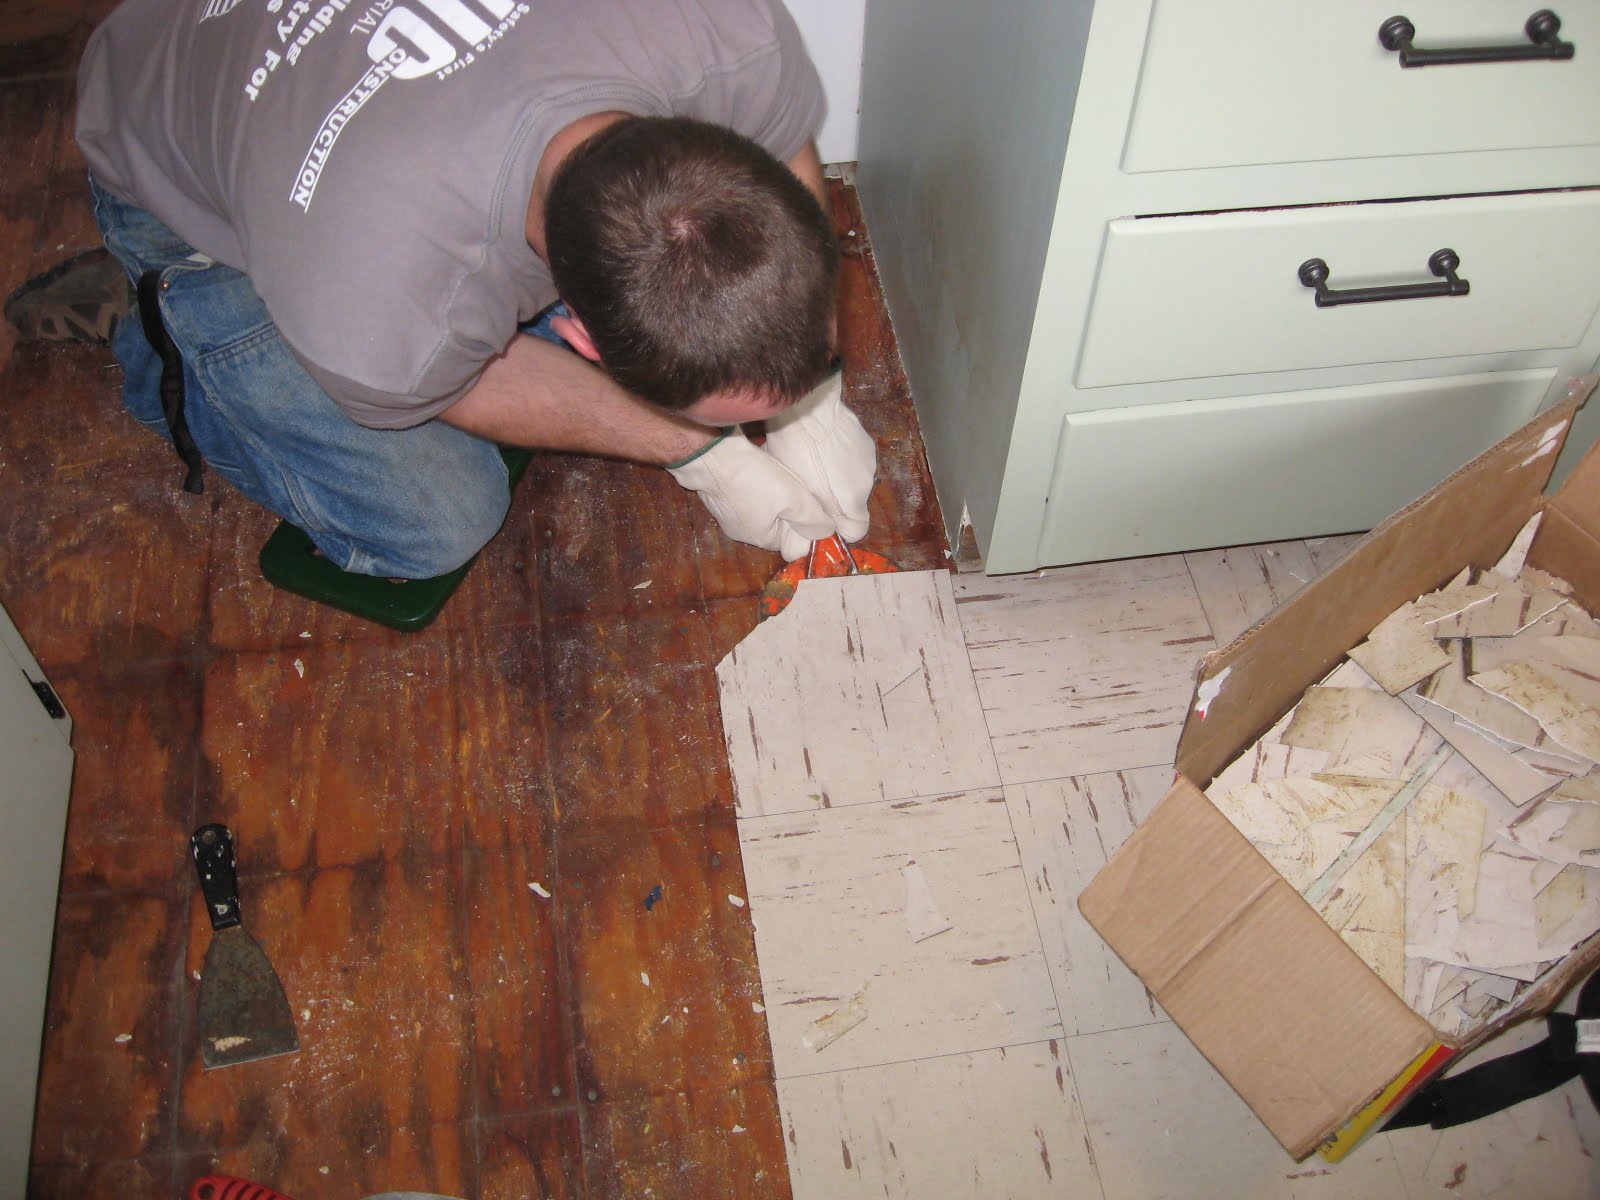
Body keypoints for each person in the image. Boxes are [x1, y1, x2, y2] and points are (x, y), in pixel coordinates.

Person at [9, 0, 876, 578]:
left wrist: (811, 397)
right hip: (166, 153)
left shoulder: (726, 27)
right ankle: (163, 317)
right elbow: (459, 380)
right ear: (581, 336)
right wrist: (697, 451)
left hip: (333, 143)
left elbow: (782, 138)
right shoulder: (384, 319)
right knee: (435, 521)